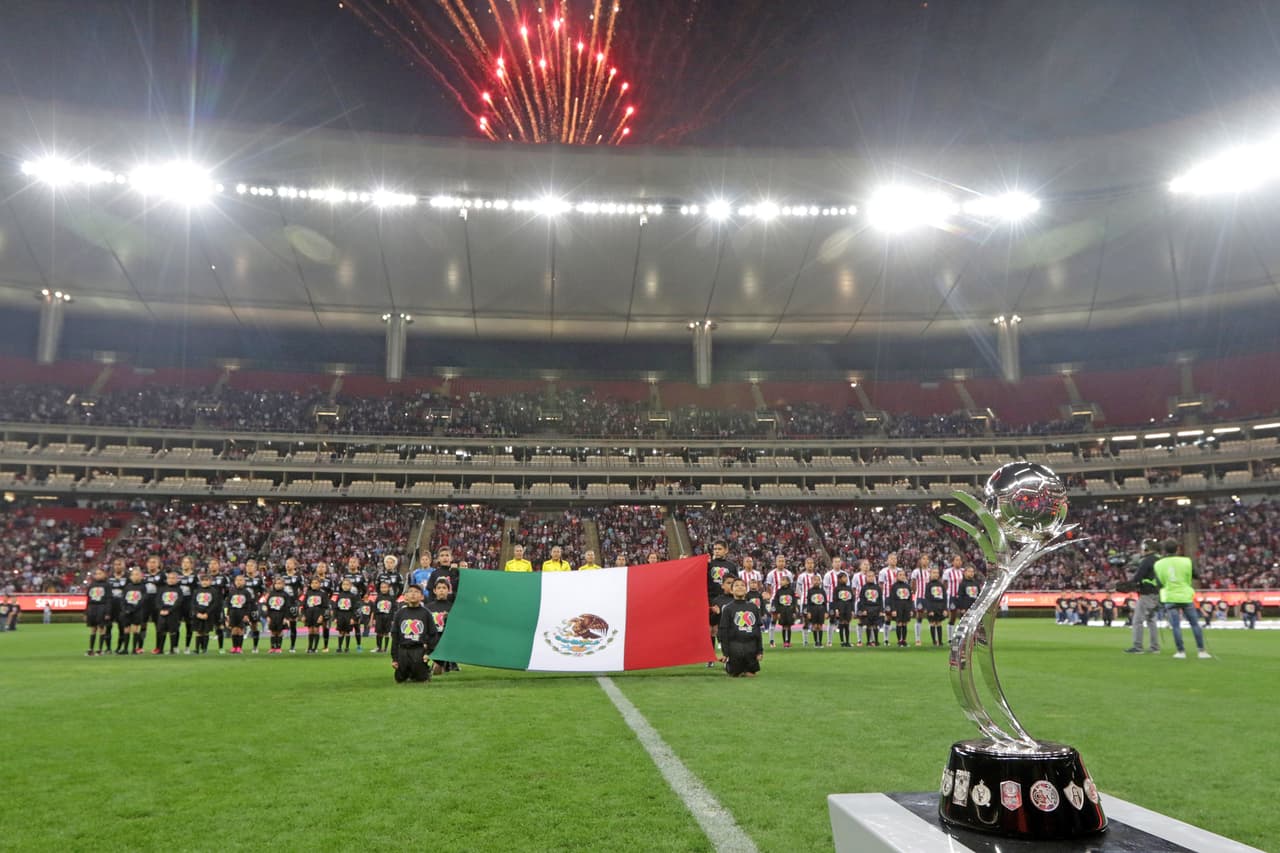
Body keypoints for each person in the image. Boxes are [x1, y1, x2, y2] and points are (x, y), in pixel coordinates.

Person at [1153, 539, 1210, 659]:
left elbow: (1159, 583)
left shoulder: (1158, 564)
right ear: (1178, 548)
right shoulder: (1186, 561)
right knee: (1194, 624)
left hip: (1170, 596)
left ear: (1164, 550)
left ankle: (1181, 651)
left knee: (1176, 626)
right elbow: (1196, 575)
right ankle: (1201, 651)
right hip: (1185, 595)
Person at [390, 584, 438, 684]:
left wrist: (428, 653)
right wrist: (394, 658)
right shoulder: (400, 613)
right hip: (403, 650)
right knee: (400, 679)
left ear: (422, 597)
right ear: (406, 596)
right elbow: (395, 637)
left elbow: (433, 634)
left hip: (419, 649)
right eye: (410, 591)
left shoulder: (426, 613)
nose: (413, 594)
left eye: (416, 592)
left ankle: (425, 670)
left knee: (421, 678)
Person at [718, 578, 763, 677]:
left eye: (742, 585)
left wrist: (760, 651)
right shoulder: (728, 609)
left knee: (750, 675)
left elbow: (757, 631)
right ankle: (728, 665)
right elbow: (723, 632)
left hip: (751, 648)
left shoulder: (753, 607)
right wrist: (725, 653)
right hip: (735, 648)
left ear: (746, 590)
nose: (740, 587)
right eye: (736, 585)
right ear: (732, 590)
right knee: (735, 675)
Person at [1124, 539, 1162, 654]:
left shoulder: (1147, 560)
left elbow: (1138, 577)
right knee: (1151, 620)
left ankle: (1138, 646)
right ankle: (1154, 647)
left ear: (1147, 548)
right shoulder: (1160, 559)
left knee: (1137, 620)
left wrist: (1128, 583)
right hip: (1157, 593)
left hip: (1146, 593)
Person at [425, 579, 454, 674]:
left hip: (445, 641)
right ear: (434, 591)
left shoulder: (453, 607)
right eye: (439, 588)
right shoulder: (428, 607)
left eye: (444, 588)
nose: (441, 590)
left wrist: (448, 618)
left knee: (437, 671)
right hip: (431, 640)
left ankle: (445, 664)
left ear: (448, 590)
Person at [153, 570, 185, 655]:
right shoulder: (162, 589)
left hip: (173, 613)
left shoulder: (179, 590)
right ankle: (160, 649)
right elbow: (157, 600)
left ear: (177, 580)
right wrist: (161, 610)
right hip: (162, 613)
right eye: (169, 578)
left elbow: (179, 601)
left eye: (173, 578)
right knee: (161, 630)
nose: (171, 580)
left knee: (173, 631)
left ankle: (172, 649)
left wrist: (169, 610)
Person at [190, 574, 223, 654]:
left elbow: (214, 604)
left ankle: (204, 649)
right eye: (203, 580)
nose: (204, 582)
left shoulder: (213, 591)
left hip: (208, 615)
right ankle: (197, 649)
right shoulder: (196, 591)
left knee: (205, 631)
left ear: (210, 581)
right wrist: (197, 613)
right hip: (198, 614)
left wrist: (207, 613)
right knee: (198, 631)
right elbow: (193, 603)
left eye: (206, 580)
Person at [121, 568, 150, 654]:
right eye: (133, 574)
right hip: (127, 610)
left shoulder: (143, 587)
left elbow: (143, 599)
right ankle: (125, 649)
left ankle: (134, 649)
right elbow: (123, 599)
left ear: (141, 576)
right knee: (126, 629)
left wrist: (134, 608)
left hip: (137, 611)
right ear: (130, 576)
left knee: (136, 629)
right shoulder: (128, 587)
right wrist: (125, 609)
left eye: (137, 574)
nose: (135, 576)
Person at [280, 557, 306, 653]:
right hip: (281, 604)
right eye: (286, 563)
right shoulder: (282, 576)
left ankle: (292, 646)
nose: (287, 565)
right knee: (279, 624)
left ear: (295, 566)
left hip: (292, 604)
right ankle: (277, 646)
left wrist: (299, 602)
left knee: (293, 625)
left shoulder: (299, 576)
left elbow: (304, 591)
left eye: (290, 563)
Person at [84, 567, 113, 656]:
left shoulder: (107, 585)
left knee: (101, 628)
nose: (98, 575)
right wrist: (85, 612)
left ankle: (100, 649)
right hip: (92, 608)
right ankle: (91, 649)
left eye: (100, 573)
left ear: (104, 574)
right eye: (96, 574)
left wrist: (108, 612)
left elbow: (109, 599)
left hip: (102, 607)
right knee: (93, 629)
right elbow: (88, 599)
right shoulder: (91, 585)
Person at [224, 575, 255, 655]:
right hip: (233, 613)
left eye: (241, 580)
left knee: (240, 630)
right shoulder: (231, 592)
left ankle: (239, 647)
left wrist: (247, 615)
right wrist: (227, 615)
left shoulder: (246, 592)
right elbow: (228, 604)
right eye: (237, 580)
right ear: (234, 582)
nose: (239, 581)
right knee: (234, 630)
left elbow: (249, 605)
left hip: (242, 613)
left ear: (244, 582)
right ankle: (234, 647)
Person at [264, 577, 296, 654]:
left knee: (279, 631)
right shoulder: (271, 594)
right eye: (276, 584)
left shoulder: (285, 595)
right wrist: (267, 616)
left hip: (281, 614)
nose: (277, 585)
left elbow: (287, 607)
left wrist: (286, 617)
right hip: (272, 614)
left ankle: (278, 647)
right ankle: (272, 647)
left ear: (283, 585)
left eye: (279, 583)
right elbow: (267, 606)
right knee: (272, 631)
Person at [857, 562, 884, 647]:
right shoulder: (864, 588)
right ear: (866, 578)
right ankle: (868, 641)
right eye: (869, 576)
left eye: (872, 576)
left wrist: (881, 610)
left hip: (876, 608)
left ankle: (876, 641)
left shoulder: (877, 588)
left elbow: (880, 600)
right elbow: (862, 599)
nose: (871, 578)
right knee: (868, 625)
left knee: (875, 625)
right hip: (867, 608)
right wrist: (863, 609)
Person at [333, 579, 362, 653]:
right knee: (340, 632)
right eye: (344, 584)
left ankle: (347, 647)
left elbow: (354, 609)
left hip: (348, 615)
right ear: (341, 586)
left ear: (350, 586)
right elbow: (336, 607)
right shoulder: (339, 595)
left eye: (347, 585)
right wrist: (335, 617)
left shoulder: (353, 596)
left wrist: (353, 618)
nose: (345, 586)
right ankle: (339, 647)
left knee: (347, 632)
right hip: (340, 615)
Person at [302, 578, 330, 654]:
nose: (314, 584)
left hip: (318, 612)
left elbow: (325, 606)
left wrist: (321, 616)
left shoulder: (323, 593)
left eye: (316, 583)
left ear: (319, 584)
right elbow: (304, 605)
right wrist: (303, 615)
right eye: (312, 583)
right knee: (310, 630)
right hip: (309, 613)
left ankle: (315, 648)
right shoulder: (308, 593)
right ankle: (310, 647)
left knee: (316, 630)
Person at [889, 568, 914, 648]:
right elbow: (892, 599)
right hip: (898, 606)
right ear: (897, 576)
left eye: (903, 575)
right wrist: (893, 609)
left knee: (905, 623)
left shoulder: (907, 586)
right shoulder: (894, 586)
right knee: (899, 623)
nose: (902, 576)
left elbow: (910, 599)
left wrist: (911, 609)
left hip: (906, 606)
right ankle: (899, 641)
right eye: (900, 575)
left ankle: (904, 640)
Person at [771, 574, 798, 649]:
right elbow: (776, 602)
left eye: (783, 580)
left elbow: (794, 601)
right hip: (782, 610)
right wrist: (778, 612)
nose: (781, 582)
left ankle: (788, 641)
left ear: (788, 582)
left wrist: (794, 612)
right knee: (783, 626)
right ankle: (784, 642)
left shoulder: (791, 591)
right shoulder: (779, 591)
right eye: (781, 580)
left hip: (789, 610)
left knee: (789, 626)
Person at [909, 555, 931, 646]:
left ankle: (934, 638)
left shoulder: (930, 571)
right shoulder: (916, 571)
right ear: (920, 560)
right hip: (920, 597)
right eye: (923, 559)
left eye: (927, 559)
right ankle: (918, 639)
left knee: (932, 616)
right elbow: (913, 584)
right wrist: (914, 594)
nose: (925, 561)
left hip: (929, 597)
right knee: (919, 616)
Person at [923, 566, 948, 647]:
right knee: (933, 623)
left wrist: (945, 609)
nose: (936, 574)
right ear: (930, 574)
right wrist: (929, 609)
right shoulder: (928, 585)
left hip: (940, 606)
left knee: (939, 623)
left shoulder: (941, 585)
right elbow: (927, 598)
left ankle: (940, 641)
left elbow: (945, 598)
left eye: (937, 573)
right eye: (934, 573)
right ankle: (934, 641)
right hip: (932, 606)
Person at [178, 556, 198, 654]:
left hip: (189, 604)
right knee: (175, 625)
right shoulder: (177, 575)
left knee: (188, 625)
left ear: (191, 565)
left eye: (187, 562)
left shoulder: (194, 576)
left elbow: (197, 592)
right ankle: (175, 647)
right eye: (183, 562)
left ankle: (187, 647)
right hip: (178, 604)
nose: (185, 564)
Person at [373, 581, 399, 653]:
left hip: (388, 617)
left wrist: (393, 619)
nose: (383, 589)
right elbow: (375, 608)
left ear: (388, 588)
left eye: (385, 587)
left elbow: (394, 608)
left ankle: (385, 648)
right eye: (382, 587)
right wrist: (374, 618)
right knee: (379, 632)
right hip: (379, 616)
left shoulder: (391, 598)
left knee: (386, 633)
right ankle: (379, 647)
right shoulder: (378, 597)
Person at [832, 572, 855, 647]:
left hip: (848, 607)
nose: (845, 579)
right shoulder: (837, 589)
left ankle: (847, 641)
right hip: (840, 607)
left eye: (846, 577)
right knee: (841, 623)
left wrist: (852, 610)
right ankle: (842, 641)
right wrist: (836, 609)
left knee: (847, 624)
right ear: (839, 579)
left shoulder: (849, 588)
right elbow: (835, 600)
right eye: (844, 577)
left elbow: (852, 600)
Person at [804, 576, 828, 648]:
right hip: (813, 609)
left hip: (821, 609)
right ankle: (816, 642)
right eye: (815, 580)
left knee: (820, 626)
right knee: (814, 626)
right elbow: (808, 602)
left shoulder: (822, 591)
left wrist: (826, 612)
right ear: (812, 582)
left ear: (820, 581)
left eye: (818, 580)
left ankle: (820, 642)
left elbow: (825, 602)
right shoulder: (810, 591)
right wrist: (808, 612)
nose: (816, 582)